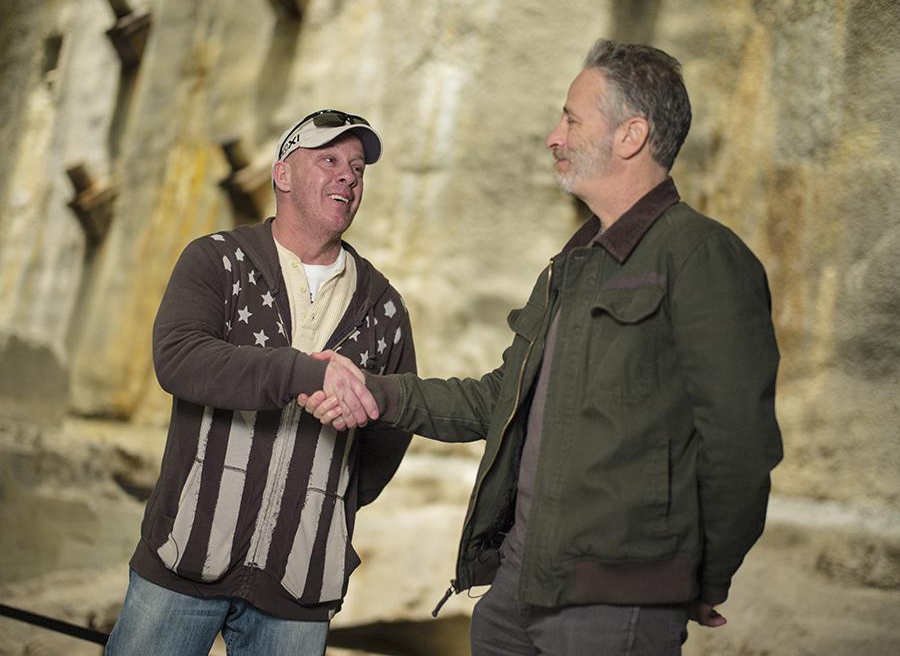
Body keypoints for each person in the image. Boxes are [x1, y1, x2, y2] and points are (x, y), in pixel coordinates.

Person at [302, 40, 783, 655]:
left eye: (572, 119)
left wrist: (702, 575)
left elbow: (740, 444)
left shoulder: (702, 256)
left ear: (630, 135)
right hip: (513, 595)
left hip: (614, 607)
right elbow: (499, 401)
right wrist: (375, 390)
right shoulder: (571, 266)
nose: (555, 137)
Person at [105, 109, 416, 655]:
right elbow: (179, 358)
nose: (348, 175)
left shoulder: (383, 307)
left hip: (299, 589)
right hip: (183, 561)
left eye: (358, 167)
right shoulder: (216, 261)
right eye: (328, 160)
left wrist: (328, 502)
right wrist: (301, 372)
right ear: (283, 174)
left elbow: (390, 432)